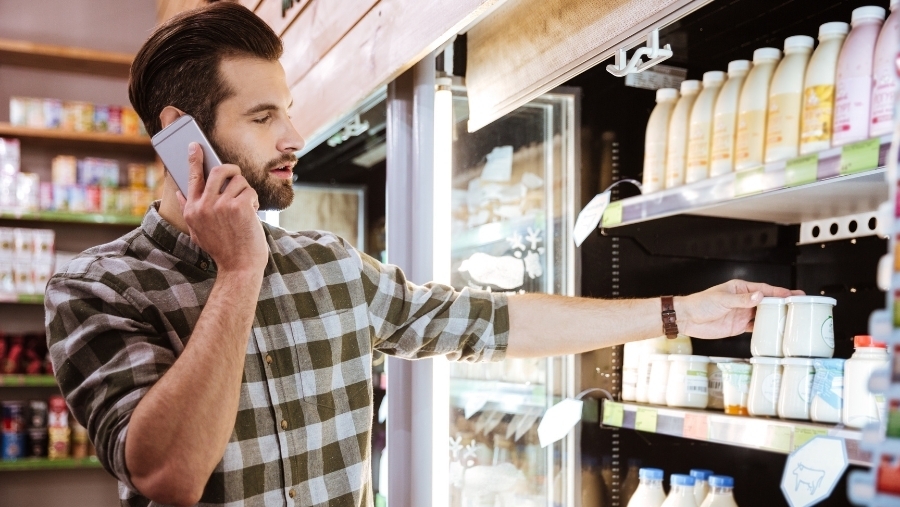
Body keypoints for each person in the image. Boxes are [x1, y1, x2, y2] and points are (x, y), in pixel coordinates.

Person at [44, 3, 798, 507]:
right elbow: (166, 472)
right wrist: (240, 272)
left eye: (290, 110)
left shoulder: (329, 265)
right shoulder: (97, 287)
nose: (292, 138)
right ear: (183, 136)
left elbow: (495, 322)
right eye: (264, 114)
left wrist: (679, 312)